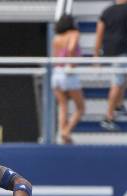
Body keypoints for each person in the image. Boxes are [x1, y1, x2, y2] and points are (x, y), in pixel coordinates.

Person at [95, 0, 127, 131]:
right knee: (117, 83)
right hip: (120, 51)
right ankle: (108, 117)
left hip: (108, 51)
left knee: (124, 75)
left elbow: (99, 32)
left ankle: (119, 105)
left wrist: (96, 55)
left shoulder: (106, 11)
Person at [52, 15, 85, 144]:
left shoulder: (56, 37)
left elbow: (55, 56)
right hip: (68, 73)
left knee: (63, 105)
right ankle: (66, 131)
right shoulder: (74, 33)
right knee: (80, 107)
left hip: (56, 73)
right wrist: (71, 63)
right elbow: (71, 48)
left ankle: (62, 134)